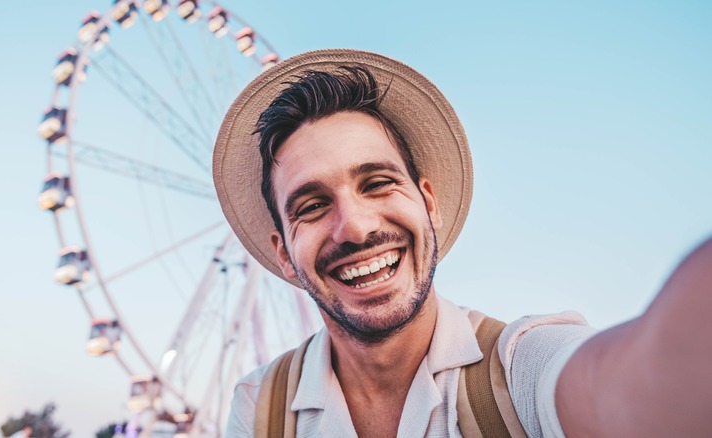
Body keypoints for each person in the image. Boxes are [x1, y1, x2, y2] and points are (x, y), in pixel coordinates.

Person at [213, 49, 712, 437]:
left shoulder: (521, 371)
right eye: (313, 206)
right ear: (283, 254)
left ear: (428, 203)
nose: (356, 228)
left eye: (378, 182)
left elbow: (626, 386)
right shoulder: (261, 407)